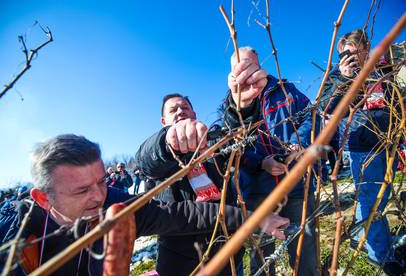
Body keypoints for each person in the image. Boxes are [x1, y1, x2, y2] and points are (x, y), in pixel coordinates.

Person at [0, 134, 288, 275]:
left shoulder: (113, 204)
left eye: (100, 181)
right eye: (82, 190)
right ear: (44, 199)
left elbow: (181, 214)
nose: (98, 196)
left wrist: (255, 218)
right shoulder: (10, 238)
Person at [136, 93, 279, 275]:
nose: (180, 112)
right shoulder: (160, 152)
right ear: (164, 121)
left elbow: (238, 136)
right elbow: (145, 159)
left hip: (227, 252)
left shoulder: (213, 142)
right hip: (180, 261)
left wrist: (243, 107)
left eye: (185, 108)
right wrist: (168, 142)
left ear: (194, 114)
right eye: (173, 110)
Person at [222, 46, 318, 275]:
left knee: (304, 252)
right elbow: (230, 147)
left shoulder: (287, 91)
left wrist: (298, 143)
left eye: (250, 64)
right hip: (256, 194)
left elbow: (311, 117)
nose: (247, 71)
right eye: (240, 67)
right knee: (262, 259)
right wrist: (260, 162)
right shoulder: (230, 107)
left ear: (260, 64)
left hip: (295, 186)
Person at [321, 29, 402, 273]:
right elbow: (327, 109)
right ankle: (381, 256)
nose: (350, 56)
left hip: (388, 141)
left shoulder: (383, 69)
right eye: (344, 53)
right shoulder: (338, 75)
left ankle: (361, 234)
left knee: (379, 194)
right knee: (371, 201)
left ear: (366, 49)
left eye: (354, 51)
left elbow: (397, 99)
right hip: (362, 146)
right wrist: (345, 79)